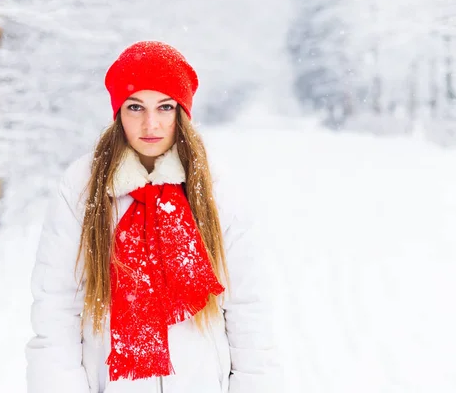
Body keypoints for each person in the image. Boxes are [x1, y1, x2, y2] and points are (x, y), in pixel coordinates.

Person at [25, 41, 279, 393]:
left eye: (164, 107)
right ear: (118, 113)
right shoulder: (82, 188)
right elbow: (55, 309)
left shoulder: (219, 190)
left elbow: (250, 312)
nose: (150, 123)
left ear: (182, 112)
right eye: (135, 107)